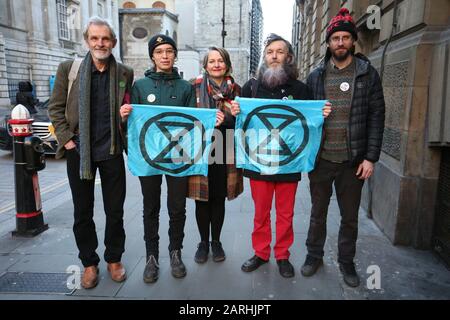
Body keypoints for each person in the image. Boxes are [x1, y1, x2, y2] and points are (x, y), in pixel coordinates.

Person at [120, 35, 223, 283]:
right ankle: (151, 258)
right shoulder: (140, 87)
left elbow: (194, 124)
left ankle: (175, 253)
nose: (165, 56)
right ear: (152, 56)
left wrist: (213, 122)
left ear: (175, 55)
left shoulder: (185, 87)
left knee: (177, 208)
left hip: (178, 158)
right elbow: (135, 126)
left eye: (169, 51)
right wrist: (124, 116)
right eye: (159, 52)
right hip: (150, 159)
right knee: (151, 208)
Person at [231, 34, 332, 278]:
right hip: (259, 163)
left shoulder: (301, 89)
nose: (274, 55)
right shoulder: (251, 87)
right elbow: (243, 125)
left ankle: (282, 255)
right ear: (265, 57)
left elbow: (308, 124)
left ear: (289, 57)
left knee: (286, 214)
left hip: (289, 163)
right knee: (261, 212)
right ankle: (261, 252)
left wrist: (321, 113)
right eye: (270, 51)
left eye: (280, 51)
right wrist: (236, 112)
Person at [301, 8, 385, 287]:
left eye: (345, 37)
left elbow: (376, 115)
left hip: (353, 161)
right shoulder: (316, 76)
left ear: (353, 41)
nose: (340, 42)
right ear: (328, 43)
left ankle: (346, 262)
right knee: (317, 213)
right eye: (335, 38)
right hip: (321, 160)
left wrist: (370, 158)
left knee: (349, 218)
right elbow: (303, 117)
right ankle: (313, 256)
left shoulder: (367, 74)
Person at [48, 17, 133, 289]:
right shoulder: (68, 70)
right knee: (82, 211)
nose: (100, 43)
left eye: (105, 38)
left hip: (111, 150)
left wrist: (125, 118)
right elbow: (55, 109)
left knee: (115, 210)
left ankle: (114, 259)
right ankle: (89, 263)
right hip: (79, 151)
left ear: (113, 42)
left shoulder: (124, 73)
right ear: (87, 41)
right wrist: (68, 141)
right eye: (95, 38)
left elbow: (130, 112)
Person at [188, 47, 243, 264]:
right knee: (201, 199)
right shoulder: (193, 87)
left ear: (227, 64)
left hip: (225, 149)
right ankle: (203, 242)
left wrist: (227, 120)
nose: (216, 64)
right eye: (212, 61)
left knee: (218, 198)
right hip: (200, 149)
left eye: (220, 60)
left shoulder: (237, 90)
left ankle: (216, 242)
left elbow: (245, 121)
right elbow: (185, 115)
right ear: (205, 65)